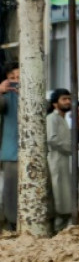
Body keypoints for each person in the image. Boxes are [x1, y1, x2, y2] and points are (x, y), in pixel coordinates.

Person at [46, 88, 74, 232]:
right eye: (64, 99)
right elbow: (51, 139)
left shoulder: (63, 118)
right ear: (55, 103)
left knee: (65, 197)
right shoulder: (52, 118)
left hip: (63, 160)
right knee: (59, 198)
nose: (68, 101)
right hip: (56, 161)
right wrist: (70, 147)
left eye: (69, 99)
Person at [0, 63, 18, 230]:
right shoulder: (6, 97)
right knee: (11, 193)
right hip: (12, 153)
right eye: (12, 79)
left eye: (20, 78)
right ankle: (11, 225)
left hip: (33, 153)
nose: (16, 82)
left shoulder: (33, 93)